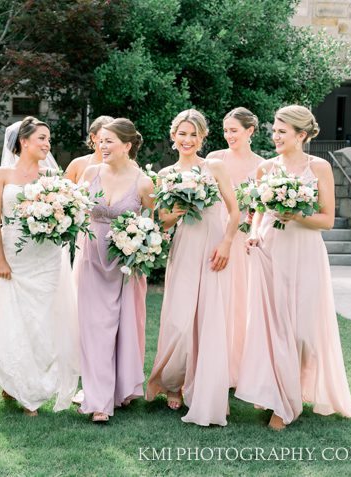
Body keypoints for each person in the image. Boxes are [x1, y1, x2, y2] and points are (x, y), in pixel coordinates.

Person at [236, 105, 351, 430]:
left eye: (282, 132)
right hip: (270, 251)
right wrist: (252, 235)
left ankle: (292, 389)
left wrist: (297, 215)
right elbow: (258, 213)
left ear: (301, 135)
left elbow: (327, 220)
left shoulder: (318, 168)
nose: (275, 136)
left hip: (305, 253)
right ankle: (282, 401)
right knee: (273, 326)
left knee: (302, 331)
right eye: (274, 131)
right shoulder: (266, 169)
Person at [146, 109, 239, 426]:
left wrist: (226, 243)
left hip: (214, 250)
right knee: (181, 321)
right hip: (185, 249)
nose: (187, 140)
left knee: (210, 320)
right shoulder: (165, 174)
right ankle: (173, 383)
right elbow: (163, 220)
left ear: (202, 138)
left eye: (193, 135)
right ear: (173, 137)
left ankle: (208, 391)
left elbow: (235, 211)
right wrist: (180, 208)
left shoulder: (214, 167)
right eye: (182, 134)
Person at [0, 117, 80, 416]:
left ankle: (34, 390)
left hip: (47, 257)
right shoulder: (1, 174)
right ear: (23, 142)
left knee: (41, 323)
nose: (47, 144)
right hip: (14, 256)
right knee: (11, 318)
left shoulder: (52, 177)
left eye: (48, 139)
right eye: (41, 138)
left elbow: (67, 216)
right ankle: (15, 381)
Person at [75, 118, 154, 423]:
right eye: (100, 141)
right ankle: (98, 402)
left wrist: (142, 242)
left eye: (109, 141)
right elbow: (77, 208)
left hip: (124, 265)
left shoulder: (144, 182)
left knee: (120, 330)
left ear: (127, 145)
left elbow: (156, 222)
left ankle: (119, 390)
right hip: (92, 259)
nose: (102, 146)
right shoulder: (91, 172)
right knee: (94, 329)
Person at [206, 107, 263, 387]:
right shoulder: (214, 159)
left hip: (246, 239)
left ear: (250, 131)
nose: (228, 135)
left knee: (243, 302)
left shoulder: (263, 166)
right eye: (226, 130)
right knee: (217, 302)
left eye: (234, 131)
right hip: (217, 235)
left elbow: (262, 207)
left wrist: (253, 224)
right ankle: (217, 367)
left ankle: (241, 371)